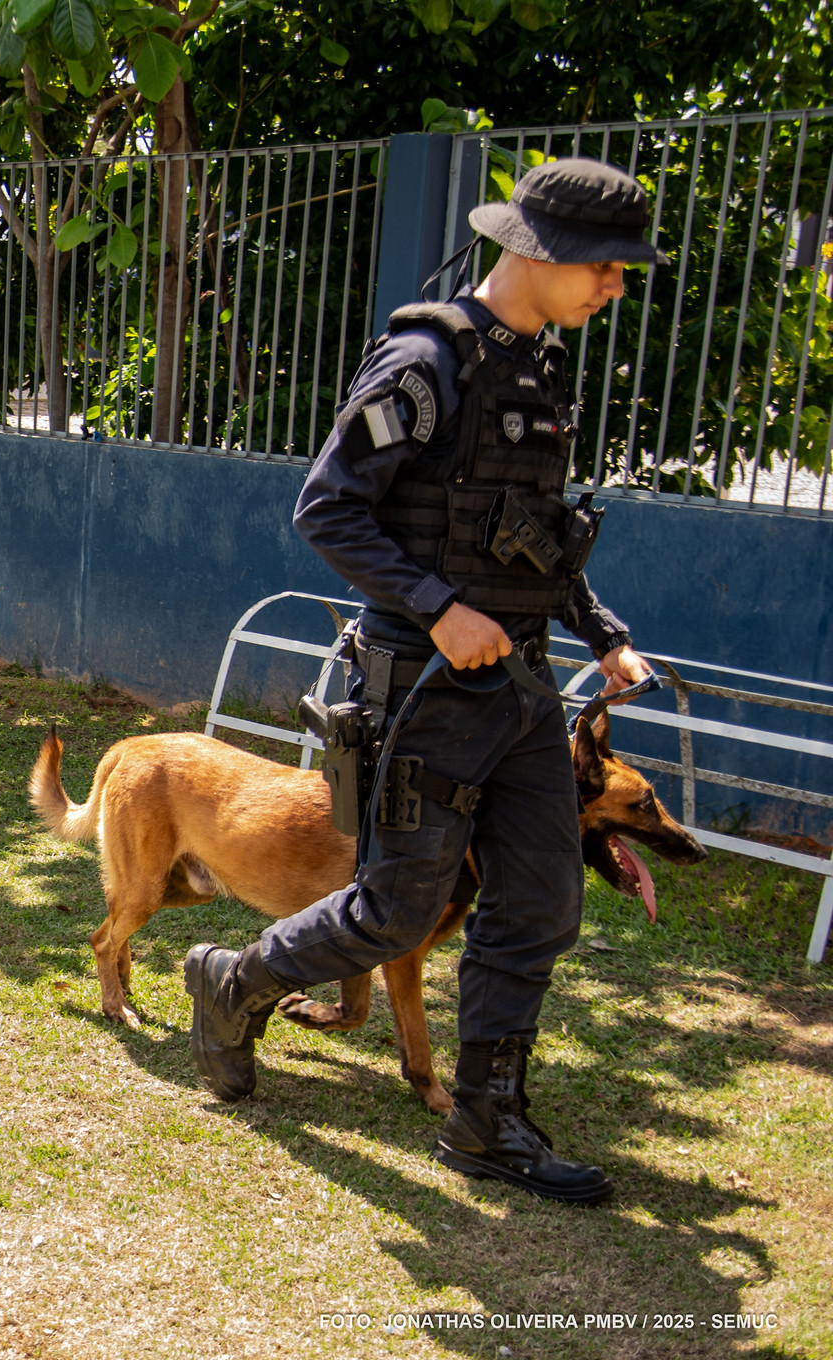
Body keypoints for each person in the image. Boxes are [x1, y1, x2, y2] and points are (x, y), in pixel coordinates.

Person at [182, 159, 662, 1204]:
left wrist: (600, 631)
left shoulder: (536, 371)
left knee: (538, 899)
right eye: (606, 269)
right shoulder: (422, 361)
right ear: (539, 252)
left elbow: (536, 541)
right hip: (420, 696)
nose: (614, 289)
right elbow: (326, 508)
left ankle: (486, 1122)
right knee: (396, 910)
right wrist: (440, 605)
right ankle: (233, 977)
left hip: (523, 693)